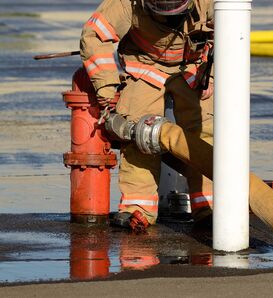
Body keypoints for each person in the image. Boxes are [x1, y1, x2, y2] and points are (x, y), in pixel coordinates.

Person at [80, 0, 214, 230]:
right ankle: (137, 208)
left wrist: (211, 74)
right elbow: (94, 36)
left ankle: (209, 206)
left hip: (193, 68)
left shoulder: (209, 2)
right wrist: (106, 88)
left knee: (204, 133)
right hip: (145, 66)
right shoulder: (125, 4)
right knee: (138, 136)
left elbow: (234, 35)